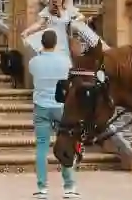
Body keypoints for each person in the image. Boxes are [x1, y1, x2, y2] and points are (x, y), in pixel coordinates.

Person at [26, 28, 78, 199]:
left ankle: (42, 188)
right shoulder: (65, 61)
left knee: (41, 147)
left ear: (42, 43)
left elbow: (34, 73)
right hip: (61, 107)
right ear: (56, 44)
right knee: (66, 145)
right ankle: (69, 187)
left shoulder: (34, 62)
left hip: (41, 106)